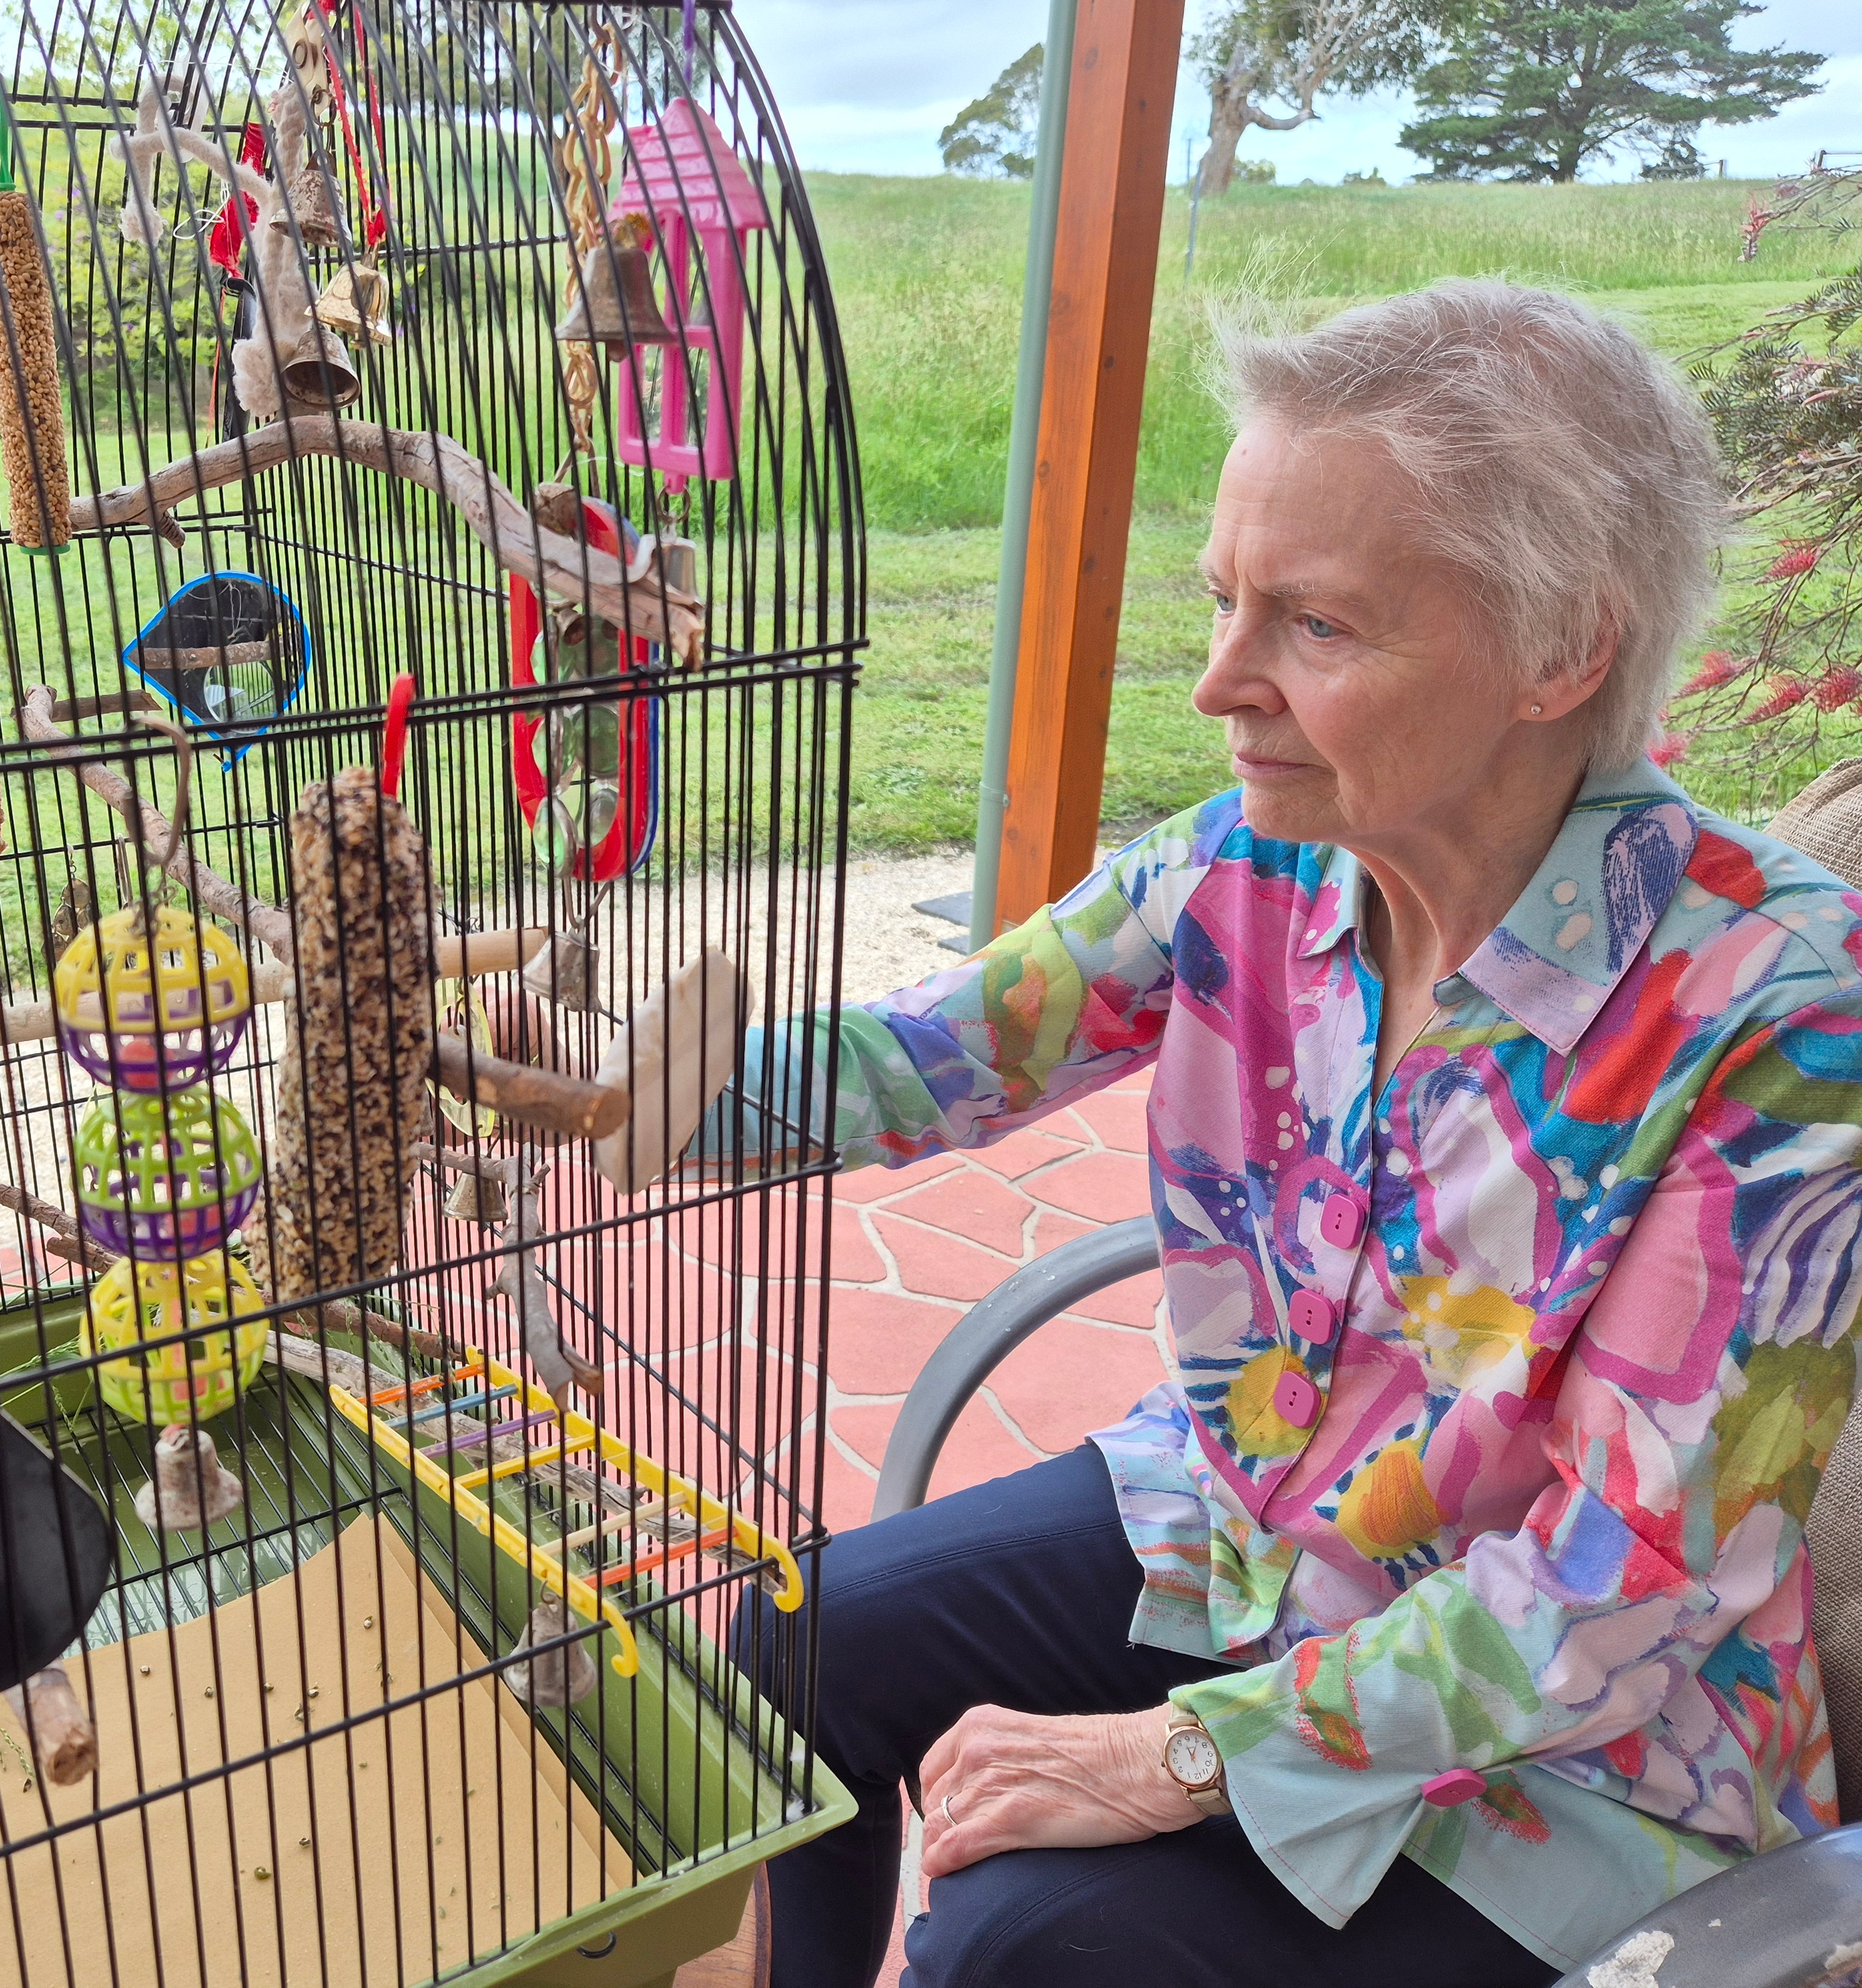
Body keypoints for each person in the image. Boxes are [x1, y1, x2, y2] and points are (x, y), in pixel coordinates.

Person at [727, 280, 1862, 1987]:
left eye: (1316, 628)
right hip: (1250, 1532)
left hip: (1574, 1735)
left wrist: (1176, 1754)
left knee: (1022, 1944)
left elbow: (1621, 1584)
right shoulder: (1246, 868)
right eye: (1226, 604)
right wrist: (631, 1083)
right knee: (798, 1639)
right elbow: (931, 1059)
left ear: (1562, 650)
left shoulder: (1786, 1020)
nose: (1217, 684)